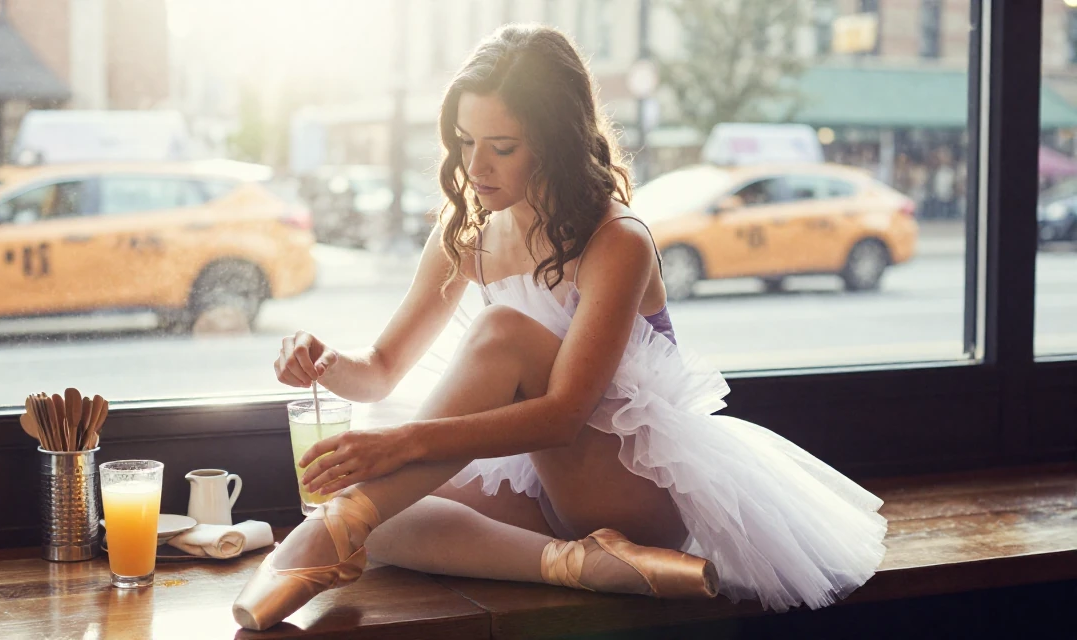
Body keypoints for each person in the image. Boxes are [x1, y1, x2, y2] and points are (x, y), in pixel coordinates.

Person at [233, 25, 888, 631]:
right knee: (377, 512)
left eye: (502, 146)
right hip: (537, 486)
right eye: (465, 142)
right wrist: (325, 362)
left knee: (501, 335)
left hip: (629, 480)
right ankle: (577, 564)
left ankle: (323, 538)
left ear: (555, 138)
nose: (475, 167)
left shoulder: (618, 239)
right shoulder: (464, 230)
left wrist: (404, 443)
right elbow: (378, 371)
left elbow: (563, 417)